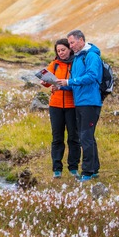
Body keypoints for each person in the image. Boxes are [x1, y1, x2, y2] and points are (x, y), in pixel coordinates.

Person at [56, 30, 102, 182]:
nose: (70, 46)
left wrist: (68, 82)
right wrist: (61, 85)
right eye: (69, 43)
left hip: (90, 102)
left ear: (81, 40)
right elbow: (75, 82)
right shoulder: (77, 58)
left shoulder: (91, 56)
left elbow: (92, 76)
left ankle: (87, 172)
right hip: (81, 102)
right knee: (88, 137)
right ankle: (94, 170)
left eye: (72, 43)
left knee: (85, 137)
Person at [42, 39, 79, 178]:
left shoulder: (76, 64)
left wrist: (63, 85)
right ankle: (57, 169)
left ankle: (73, 168)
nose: (61, 53)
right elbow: (47, 81)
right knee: (57, 138)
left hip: (72, 105)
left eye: (63, 50)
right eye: (58, 51)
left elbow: (77, 83)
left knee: (73, 138)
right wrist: (45, 82)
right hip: (55, 105)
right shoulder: (54, 64)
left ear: (70, 49)